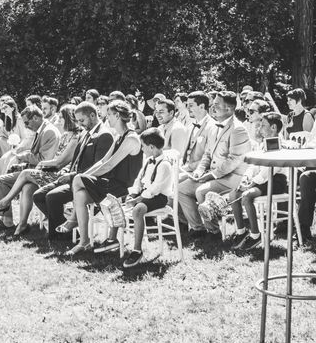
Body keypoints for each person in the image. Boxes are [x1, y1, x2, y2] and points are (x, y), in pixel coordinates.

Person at [0, 104, 81, 236]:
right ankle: (21, 225)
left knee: (24, 174)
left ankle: (5, 202)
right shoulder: (65, 136)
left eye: (61, 118)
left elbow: (59, 162)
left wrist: (40, 164)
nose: (58, 121)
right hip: (51, 171)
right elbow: (55, 160)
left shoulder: (74, 137)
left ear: (69, 118)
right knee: (27, 187)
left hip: (59, 174)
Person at [66, 100, 143, 254]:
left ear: (117, 115)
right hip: (110, 183)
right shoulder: (118, 137)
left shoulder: (131, 138)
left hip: (123, 186)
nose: (106, 117)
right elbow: (102, 161)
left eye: (109, 114)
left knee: (78, 180)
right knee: (80, 195)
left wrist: (81, 178)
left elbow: (109, 165)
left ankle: (73, 220)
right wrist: (84, 176)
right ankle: (84, 242)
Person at [31, 102, 114, 238]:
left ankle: (58, 236)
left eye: (82, 120)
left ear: (92, 115)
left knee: (52, 197)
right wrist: (67, 172)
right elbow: (76, 160)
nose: (80, 124)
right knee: (38, 195)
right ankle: (64, 228)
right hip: (73, 177)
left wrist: (72, 175)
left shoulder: (104, 135)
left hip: (88, 183)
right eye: (78, 121)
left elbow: (98, 167)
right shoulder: (84, 133)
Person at [178, 91, 250, 240]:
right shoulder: (213, 127)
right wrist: (199, 171)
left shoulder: (238, 129)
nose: (212, 107)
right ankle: (198, 228)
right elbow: (208, 154)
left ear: (229, 109)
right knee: (180, 189)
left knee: (201, 191)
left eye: (217, 104)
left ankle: (214, 232)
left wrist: (211, 175)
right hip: (212, 174)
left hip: (233, 177)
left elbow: (234, 160)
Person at [228, 113, 288, 250]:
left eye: (263, 125)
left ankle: (256, 235)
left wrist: (252, 183)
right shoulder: (263, 144)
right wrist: (245, 178)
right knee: (233, 194)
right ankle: (241, 232)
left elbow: (270, 170)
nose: (259, 128)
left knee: (247, 195)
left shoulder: (280, 144)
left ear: (273, 127)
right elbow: (254, 165)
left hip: (276, 181)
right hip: (261, 179)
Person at [122, 128, 174, 267]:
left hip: (159, 197)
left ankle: (137, 250)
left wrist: (137, 200)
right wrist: (133, 194)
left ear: (151, 147)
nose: (142, 149)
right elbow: (139, 180)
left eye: (143, 146)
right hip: (145, 194)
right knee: (122, 202)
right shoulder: (148, 160)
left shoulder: (164, 165)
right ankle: (112, 240)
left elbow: (154, 190)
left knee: (138, 209)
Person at [180, 91, 216, 181]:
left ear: (202, 107)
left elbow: (209, 157)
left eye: (191, 105)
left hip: (199, 173)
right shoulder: (190, 126)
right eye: (187, 105)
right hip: (184, 169)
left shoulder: (213, 126)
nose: (187, 108)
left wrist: (187, 168)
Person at [0, 98, 26, 178]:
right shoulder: (7, 120)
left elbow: (24, 137)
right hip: (10, 145)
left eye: (5, 107)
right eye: (2, 108)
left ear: (13, 108)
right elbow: (3, 135)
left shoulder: (19, 119)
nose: (3, 110)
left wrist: (18, 148)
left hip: (19, 147)